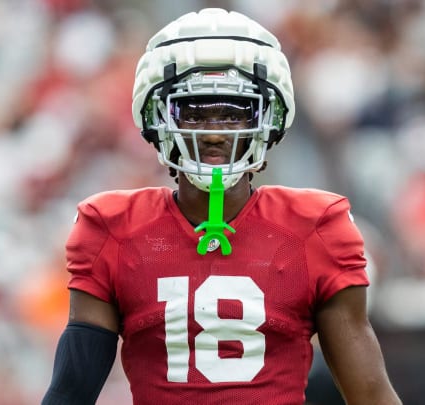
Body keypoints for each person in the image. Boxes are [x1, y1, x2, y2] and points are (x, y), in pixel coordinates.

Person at [42, 8, 401, 405]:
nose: (214, 132)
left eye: (233, 113)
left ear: (269, 119)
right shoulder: (112, 228)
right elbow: (71, 392)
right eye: (194, 113)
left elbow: (370, 395)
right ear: (158, 119)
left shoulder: (315, 227)